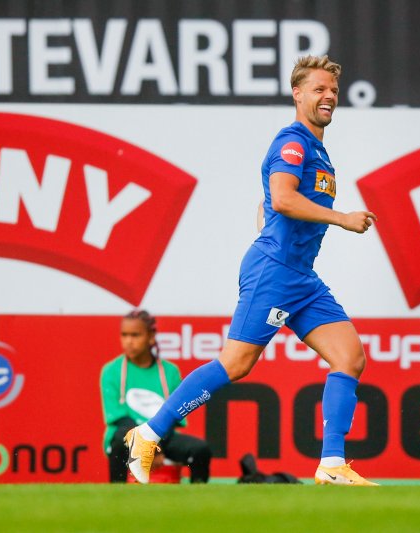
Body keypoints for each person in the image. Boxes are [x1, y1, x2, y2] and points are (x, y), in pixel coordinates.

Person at [124, 55, 379, 486]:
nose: (329, 96)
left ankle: (332, 464)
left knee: (350, 357)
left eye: (333, 90)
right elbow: (281, 198)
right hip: (275, 272)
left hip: (300, 276)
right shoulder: (293, 141)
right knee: (237, 363)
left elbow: (270, 203)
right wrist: (341, 218)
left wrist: (273, 221)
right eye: (319, 89)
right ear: (297, 94)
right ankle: (147, 435)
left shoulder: (317, 148)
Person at [100, 310, 212, 483]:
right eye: (124, 335)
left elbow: (174, 416)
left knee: (200, 449)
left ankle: (197, 503)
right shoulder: (111, 371)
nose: (128, 341)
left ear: (151, 337)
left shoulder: (170, 372)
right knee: (120, 439)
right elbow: (120, 418)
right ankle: (116, 496)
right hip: (127, 436)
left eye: (135, 335)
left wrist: (155, 444)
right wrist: (148, 446)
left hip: (162, 436)